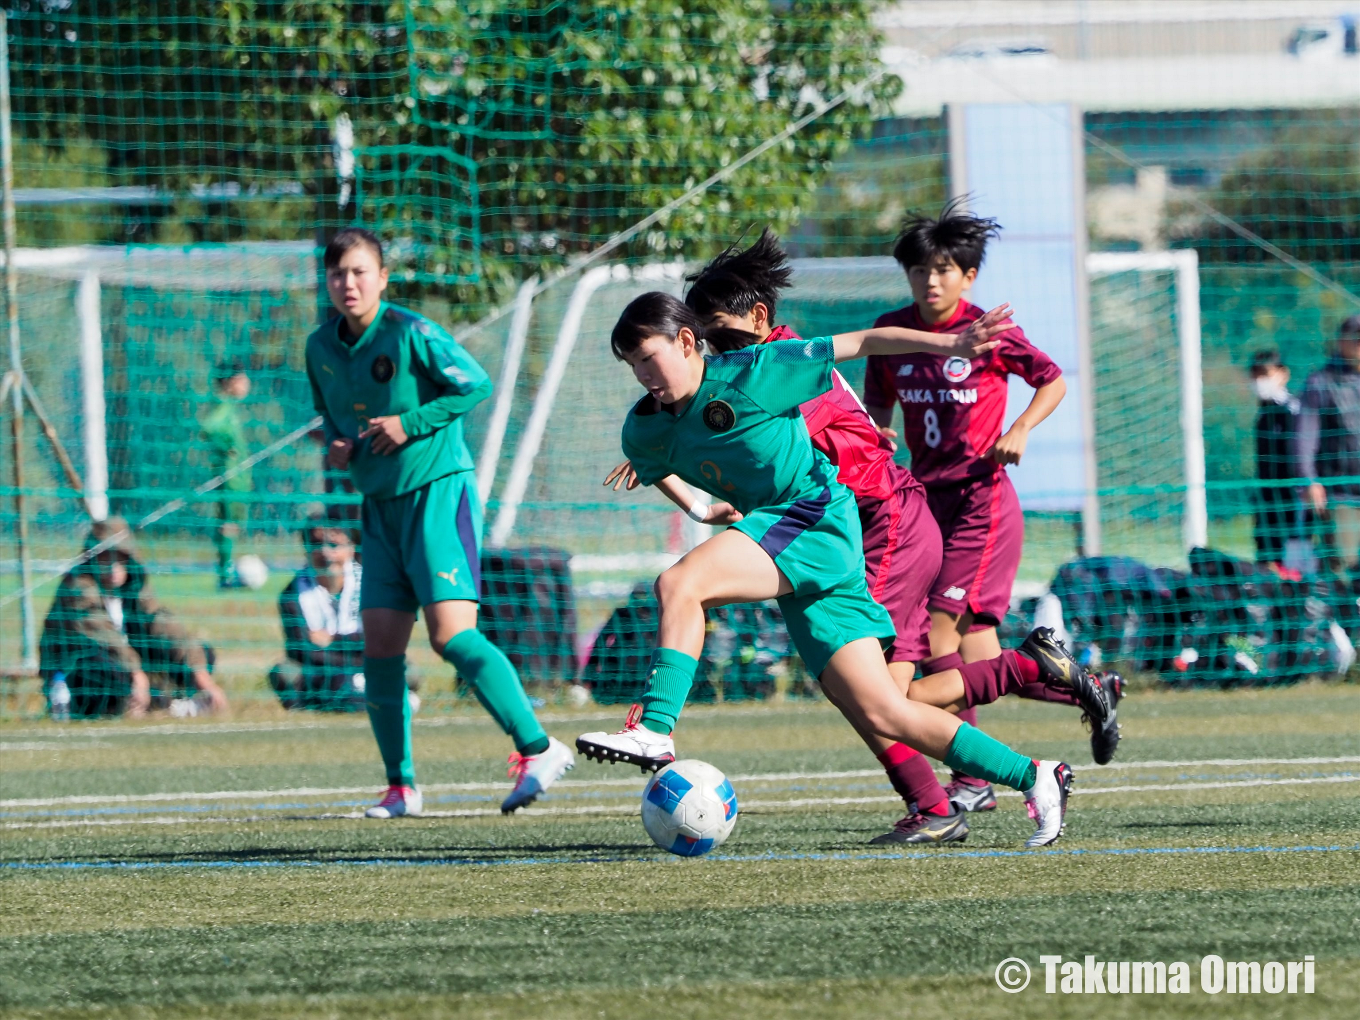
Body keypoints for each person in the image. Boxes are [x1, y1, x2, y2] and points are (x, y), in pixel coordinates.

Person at [659, 230, 1115, 843]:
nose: (714, 350)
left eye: (720, 335)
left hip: (886, 525)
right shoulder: (767, 363)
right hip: (862, 526)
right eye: (706, 340)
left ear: (759, 319)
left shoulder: (780, 370)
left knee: (884, 697)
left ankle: (959, 776)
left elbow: (791, 420)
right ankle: (969, 758)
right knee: (879, 696)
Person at [306, 227, 573, 819]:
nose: (347, 284)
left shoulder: (409, 331)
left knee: (450, 635)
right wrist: (338, 446)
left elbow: (474, 384)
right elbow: (330, 419)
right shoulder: (320, 347)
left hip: (436, 495)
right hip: (378, 510)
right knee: (379, 649)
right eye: (336, 274)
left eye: (358, 272)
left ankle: (539, 748)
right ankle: (401, 786)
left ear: (381, 277)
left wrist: (410, 422)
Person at [862, 202, 1121, 812]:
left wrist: (1023, 426)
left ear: (968, 277)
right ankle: (1089, 687)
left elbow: (1052, 379)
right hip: (924, 504)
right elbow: (877, 411)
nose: (931, 280)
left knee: (933, 633)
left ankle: (973, 779)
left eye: (944, 269)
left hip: (982, 502)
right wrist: (878, 442)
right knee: (980, 655)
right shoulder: (893, 334)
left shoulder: (989, 330)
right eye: (920, 270)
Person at [39, 518, 228, 718]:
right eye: (105, 558)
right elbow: (105, 637)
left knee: (200, 653)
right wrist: (135, 672)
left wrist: (200, 675)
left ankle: (168, 702)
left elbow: (160, 624)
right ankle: (139, 706)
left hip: (128, 664)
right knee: (101, 666)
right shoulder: (77, 589)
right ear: (91, 559)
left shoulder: (133, 587)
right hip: (79, 671)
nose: (113, 567)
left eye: (119, 559)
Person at [269, 513, 367, 712]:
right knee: (284, 672)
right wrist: (350, 654)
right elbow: (299, 650)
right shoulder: (291, 594)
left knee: (408, 670)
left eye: (333, 545)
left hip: (368, 664)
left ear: (350, 548)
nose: (324, 552)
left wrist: (332, 639)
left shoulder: (371, 585)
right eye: (315, 544)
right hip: (316, 671)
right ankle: (306, 709)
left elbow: (378, 640)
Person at [1299, 315, 1360, 579]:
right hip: (1341, 492)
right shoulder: (1320, 382)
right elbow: (1305, 437)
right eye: (1357, 340)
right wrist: (1309, 481)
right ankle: (1337, 618)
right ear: (1341, 342)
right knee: (1342, 561)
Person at [1248, 350, 1303, 575]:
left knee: (1293, 559)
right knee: (1266, 556)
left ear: (1283, 374)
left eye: (1266, 373)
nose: (1260, 380)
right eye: (1256, 374)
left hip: (1292, 499)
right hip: (1266, 498)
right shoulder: (1264, 413)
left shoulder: (1294, 411)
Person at [200, 360, 253, 589]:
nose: (247, 384)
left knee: (233, 525)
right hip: (231, 477)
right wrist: (226, 445)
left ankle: (227, 573)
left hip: (238, 476)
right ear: (230, 382)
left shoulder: (229, 405)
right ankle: (226, 575)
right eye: (243, 379)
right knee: (229, 525)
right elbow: (208, 427)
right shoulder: (222, 405)